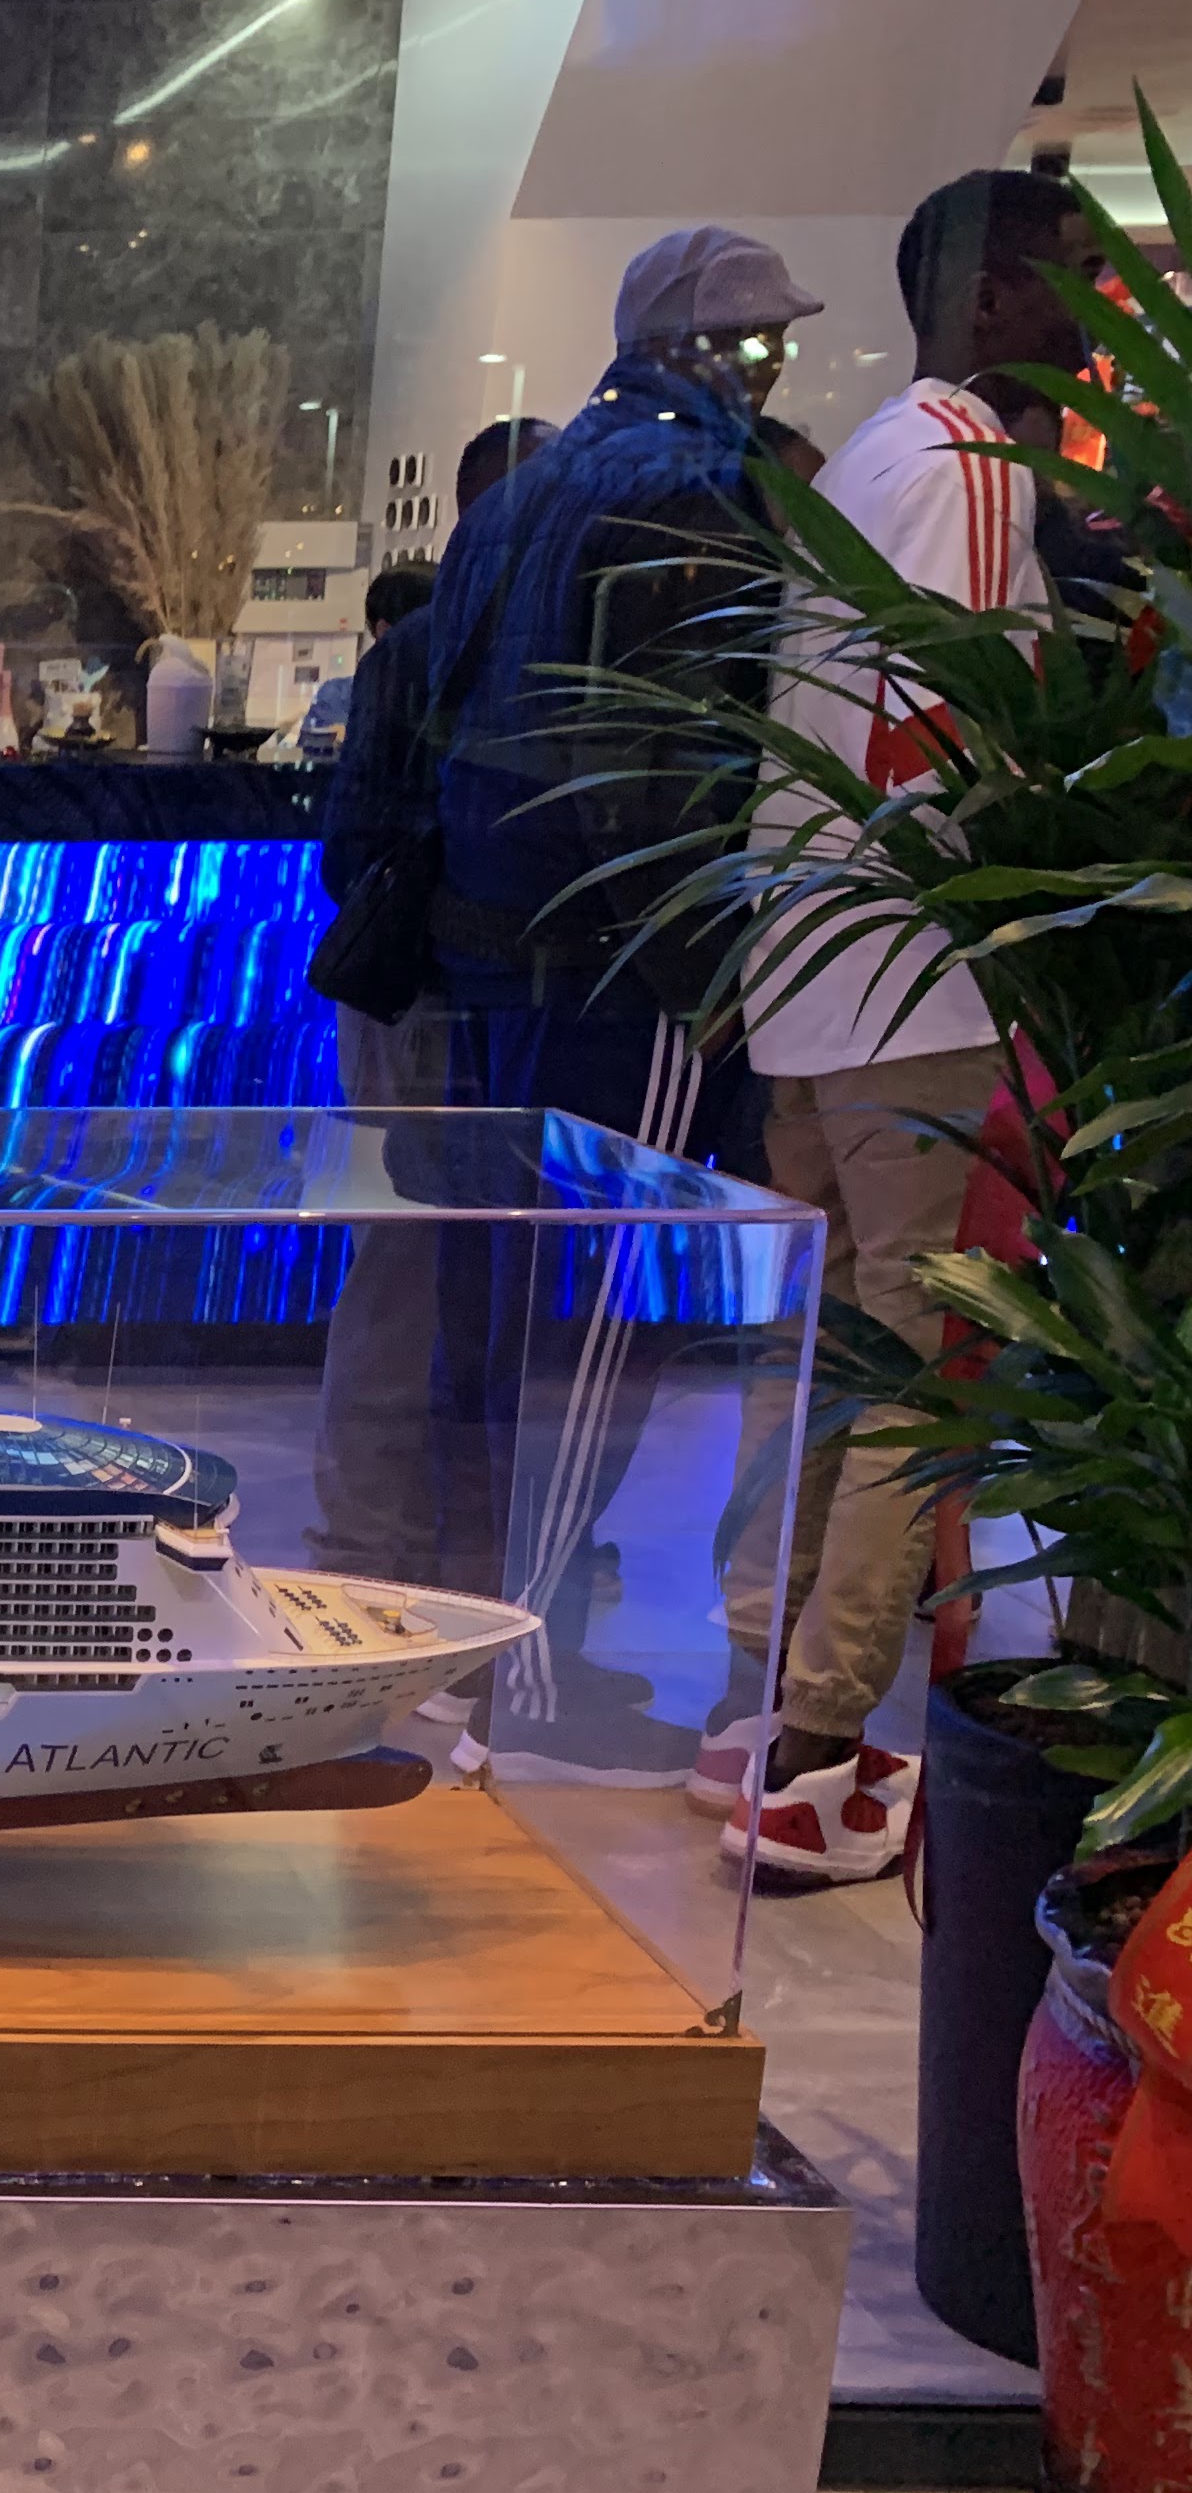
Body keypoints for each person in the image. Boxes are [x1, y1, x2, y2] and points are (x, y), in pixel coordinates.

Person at [704, 168, 1093, 1886]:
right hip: (914, 980)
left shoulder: (871, 454)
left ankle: (759, 1697)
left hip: (815, 977)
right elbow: (941, 740)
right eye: (1078, 274)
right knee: (912, 1364)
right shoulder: (971, 466)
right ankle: (815, 1744)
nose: (1101, 310)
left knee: (823, 1353)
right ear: (993, 295)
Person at [415, 227, 813, 1785]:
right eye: (753, 340)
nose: (768, 366)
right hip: (619, 949)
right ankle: (522, 1670)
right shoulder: (688, 485)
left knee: (510, 1303)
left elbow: (453, 703)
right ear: (694, 346)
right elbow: (675, 751)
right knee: (589, 1319)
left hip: (507, 942)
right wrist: (703, 963)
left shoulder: (536, 478)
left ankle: (482, 1644)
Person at [298, 418, 544, 1591]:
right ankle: (380, 1542)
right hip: (432, 1004)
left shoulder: (430, 645)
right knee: (410, 1269)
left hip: (421, 999)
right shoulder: (464, 646)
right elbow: (358, 853)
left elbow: (349, 851)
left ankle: (388, 1537)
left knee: (406, 1267)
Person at [296, 564, 435, 763]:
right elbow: (314, 768)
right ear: (386, 631)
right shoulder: (341, 700)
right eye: (426, 626)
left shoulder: (453, 695)